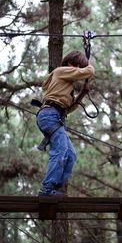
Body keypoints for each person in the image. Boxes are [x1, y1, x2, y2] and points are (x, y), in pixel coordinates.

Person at [36, 50, 94, 196]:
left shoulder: (66, 84)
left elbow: (68, 109)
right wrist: (88, 66)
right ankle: (47, 189)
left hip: (55, 116)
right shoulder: (60, 71)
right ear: (70, 64)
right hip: (49, 115)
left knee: (70, 154)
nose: (79, 71)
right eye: (78, 67)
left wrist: (82, 94)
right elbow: (89, 71)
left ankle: (55, 186)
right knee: (60, 150)